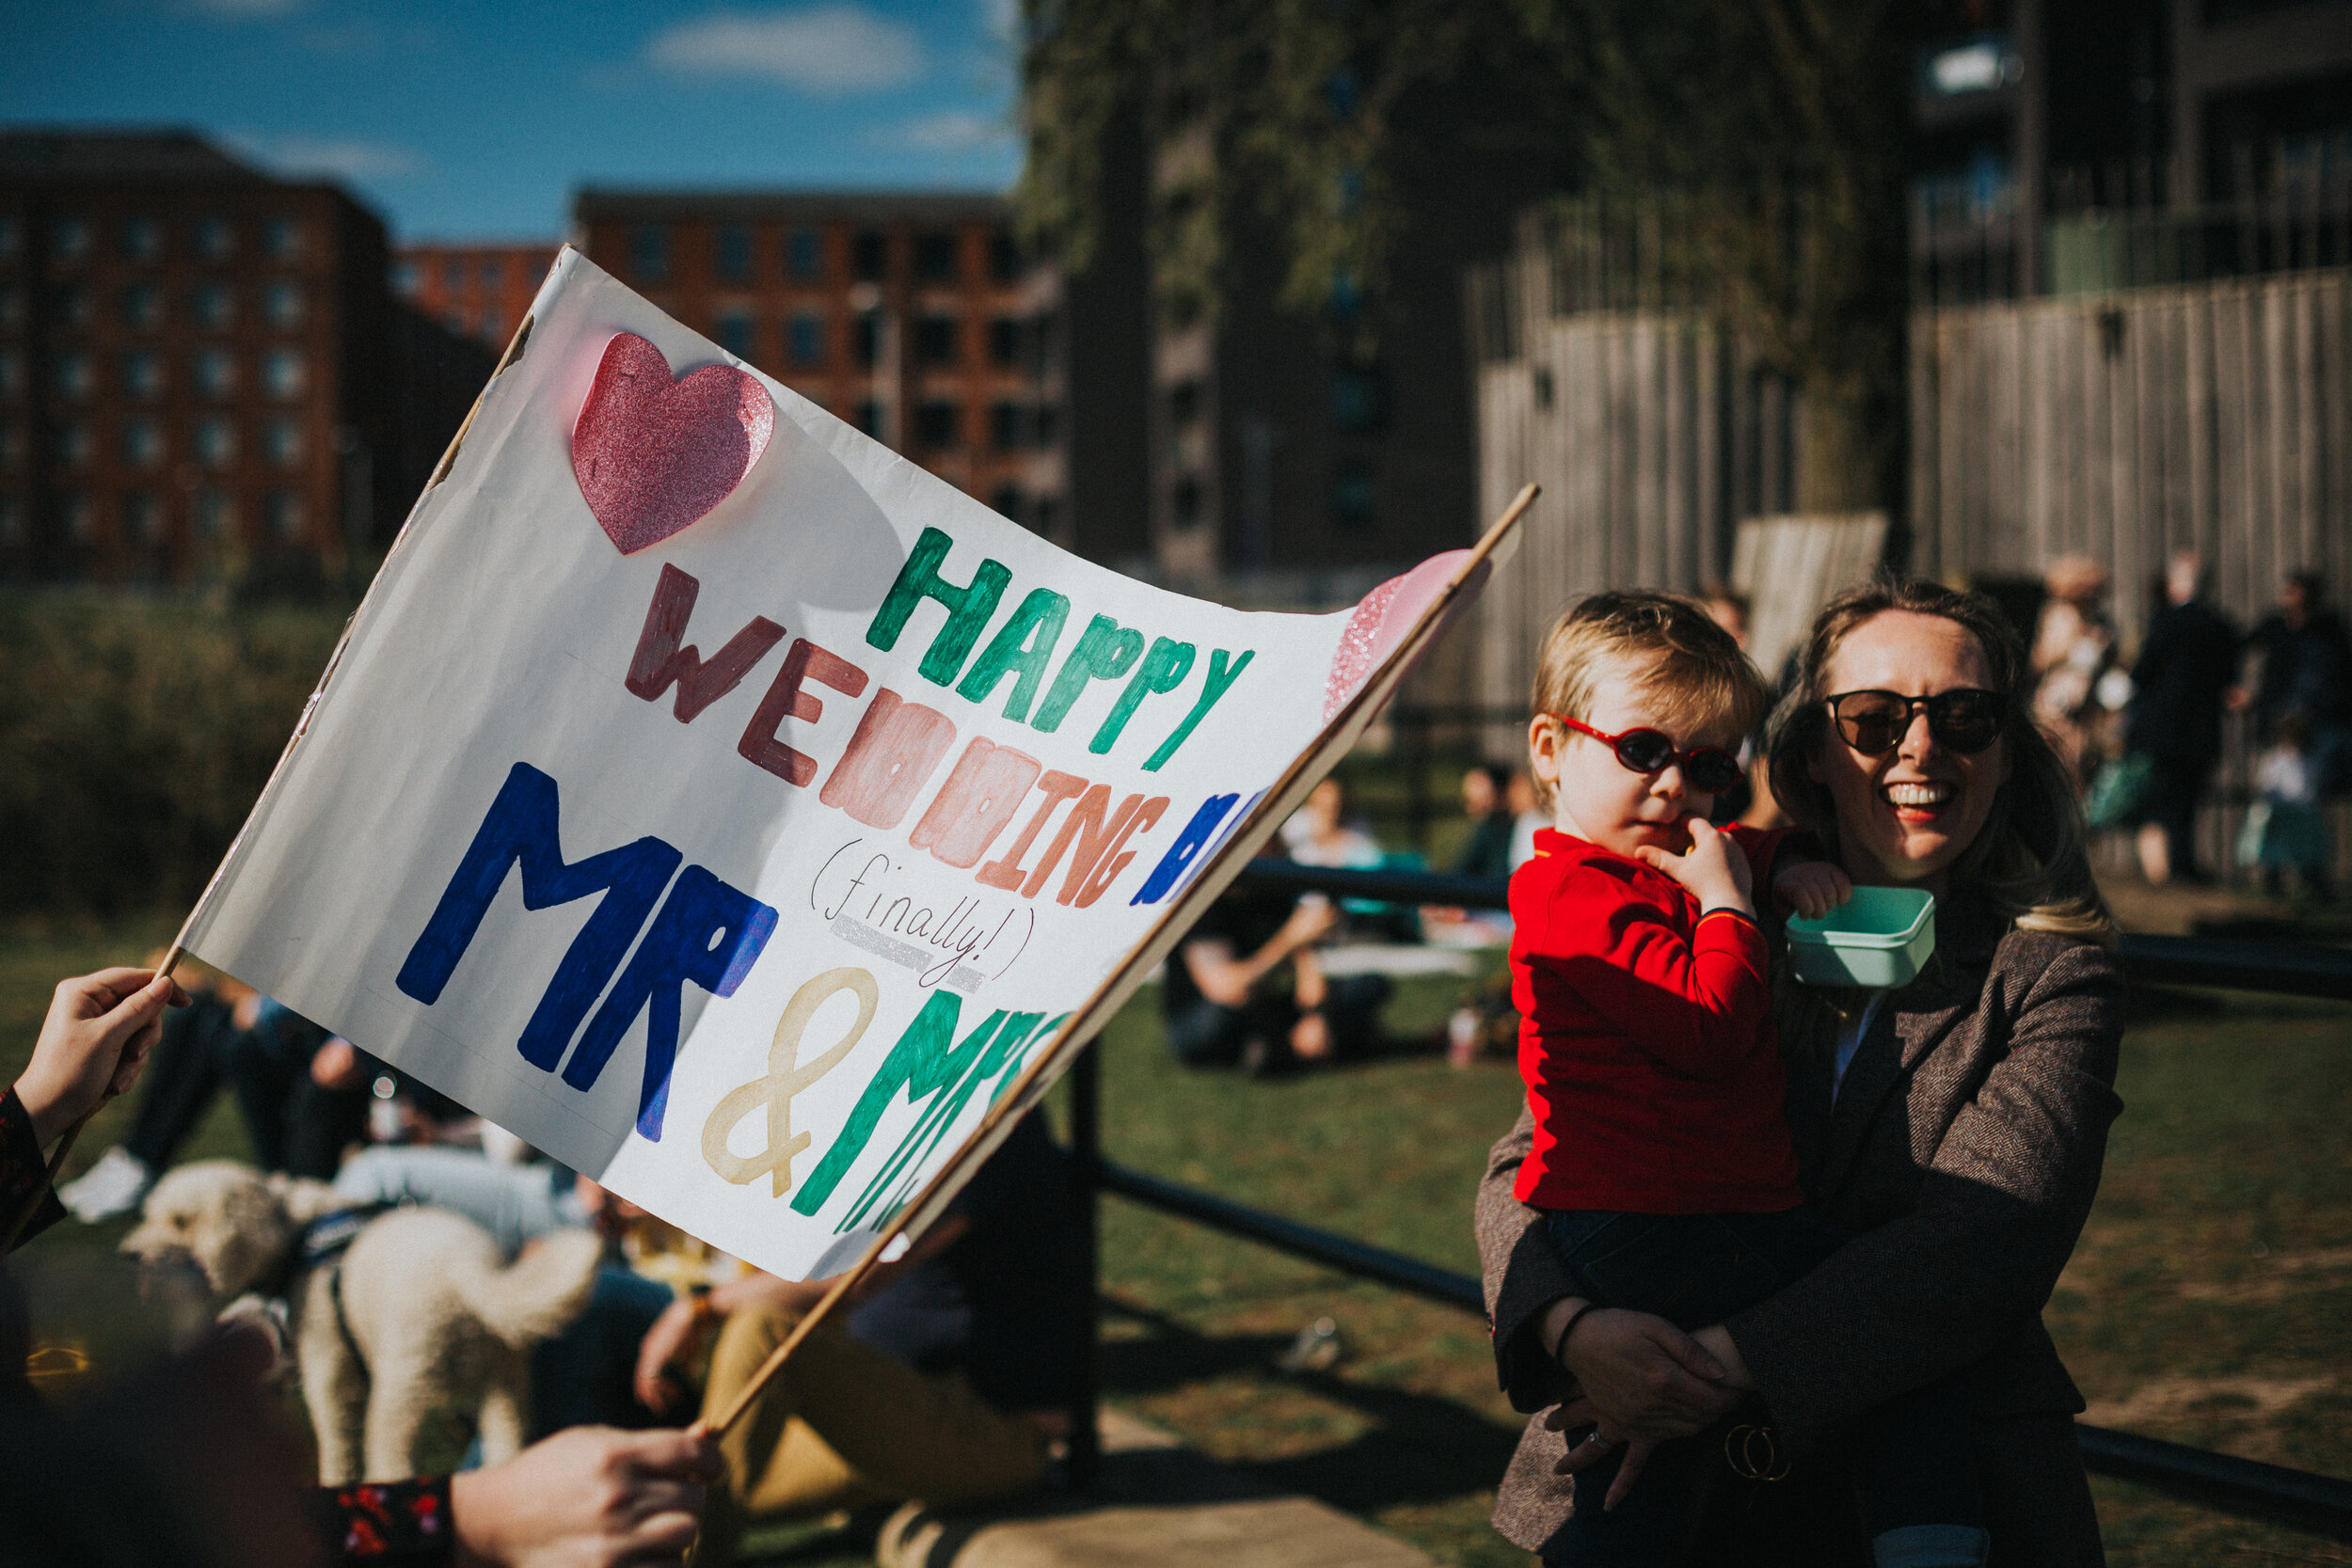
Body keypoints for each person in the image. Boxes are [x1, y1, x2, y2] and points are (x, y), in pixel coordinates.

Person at [1478, 578, 2124, 1566]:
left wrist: (1693, 1369)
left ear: (2004, 748)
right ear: (1814, 750)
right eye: (1872, 717)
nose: (1919, 746)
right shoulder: (1700, 902)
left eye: (1962, 715)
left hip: (1914, 1502)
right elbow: (1524, 1157)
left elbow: (1980, 1242)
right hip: (1651, 1467)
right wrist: (1574, 1329)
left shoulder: (2045, 971)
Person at [3, 966, 719, 1567]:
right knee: (464, 1382)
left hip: (553, 1232)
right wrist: (472, 1515)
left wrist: (35, 1109)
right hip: (499, 1248)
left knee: (404, 1385)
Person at [635, 1112, 1084, 1567]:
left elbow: (856, 1275)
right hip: (886, 1408)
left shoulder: (991, 1113)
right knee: (657, 1505)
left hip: (996, 1430)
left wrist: (699, 1308)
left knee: (762, 1330)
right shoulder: (904, 1111)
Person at [2124, 551, 2240, 884]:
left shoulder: (2164, 623)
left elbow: (2142, 672)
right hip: (2203, 726)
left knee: (2166, 799)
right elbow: (2227, 676)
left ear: (2177, 583)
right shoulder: (2220, 626)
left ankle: (2173, 867)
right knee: (2189, 800)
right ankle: (2184, 862)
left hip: (2164, 726)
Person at [2243, 570, 2352, 796]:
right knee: (2276, 795)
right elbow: (2240, 647)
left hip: (2318, 727)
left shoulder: (2330, 635)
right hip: (2278, 727)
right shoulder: (2276, 628)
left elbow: (2334, 682)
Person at [2029, 555, 2116, 783]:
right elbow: (2038, 662)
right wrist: (2070, 648)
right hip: (2054, 706)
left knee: (2079, 770)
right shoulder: (2058, 618)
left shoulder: (2100, 622)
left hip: (2085, 710)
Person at [2238, 712, 2333, 901]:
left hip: (2304, 814)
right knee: (2276, 853)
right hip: (2281, 814)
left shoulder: (2311, 759)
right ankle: (2273, 886)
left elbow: (2313, 786)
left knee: (2308, 853)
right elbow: (2268, 787)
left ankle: (2314, 885)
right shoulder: (2274, 760)